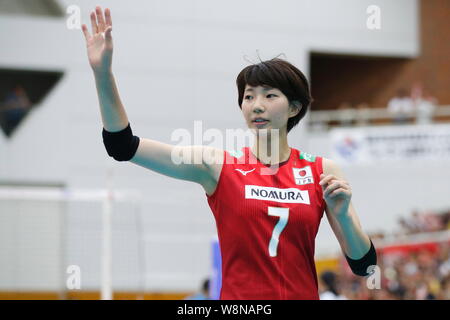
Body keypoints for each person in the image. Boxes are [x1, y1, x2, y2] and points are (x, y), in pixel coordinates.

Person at [82, 6, 376, 300]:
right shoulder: (217, 166)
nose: (256, 105)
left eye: (270, 95)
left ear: (294, 108)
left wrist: (343, 216)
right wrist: (102, 73)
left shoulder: (323, 171)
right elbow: (122, 145)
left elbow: (365, 266)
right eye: (249, 97)